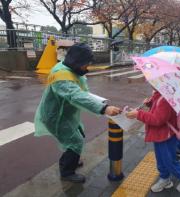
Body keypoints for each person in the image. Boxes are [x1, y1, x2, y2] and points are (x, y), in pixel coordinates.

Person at [34, 43, 121, 183]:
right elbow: (76, 95)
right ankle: (67, 172)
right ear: (77, 62)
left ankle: (69, 160)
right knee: (75, 141)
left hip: (65, 114)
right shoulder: (61, 75)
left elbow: (80, 92)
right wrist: (104, 109)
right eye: (85, 64)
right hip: (57, 117)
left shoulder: (68, 68)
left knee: (77, 136)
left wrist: (100, 103)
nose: (87, 67)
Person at [126, 90, 180, 193]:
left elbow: (158, 119)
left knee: (169, 160)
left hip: (166, 135)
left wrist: (138, 114)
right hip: (159, 134)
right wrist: (150, 103)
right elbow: (158, 110)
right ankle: (165, 179)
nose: (150, 83)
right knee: (160, 159)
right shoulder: (160, 94)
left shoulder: (166, 98)